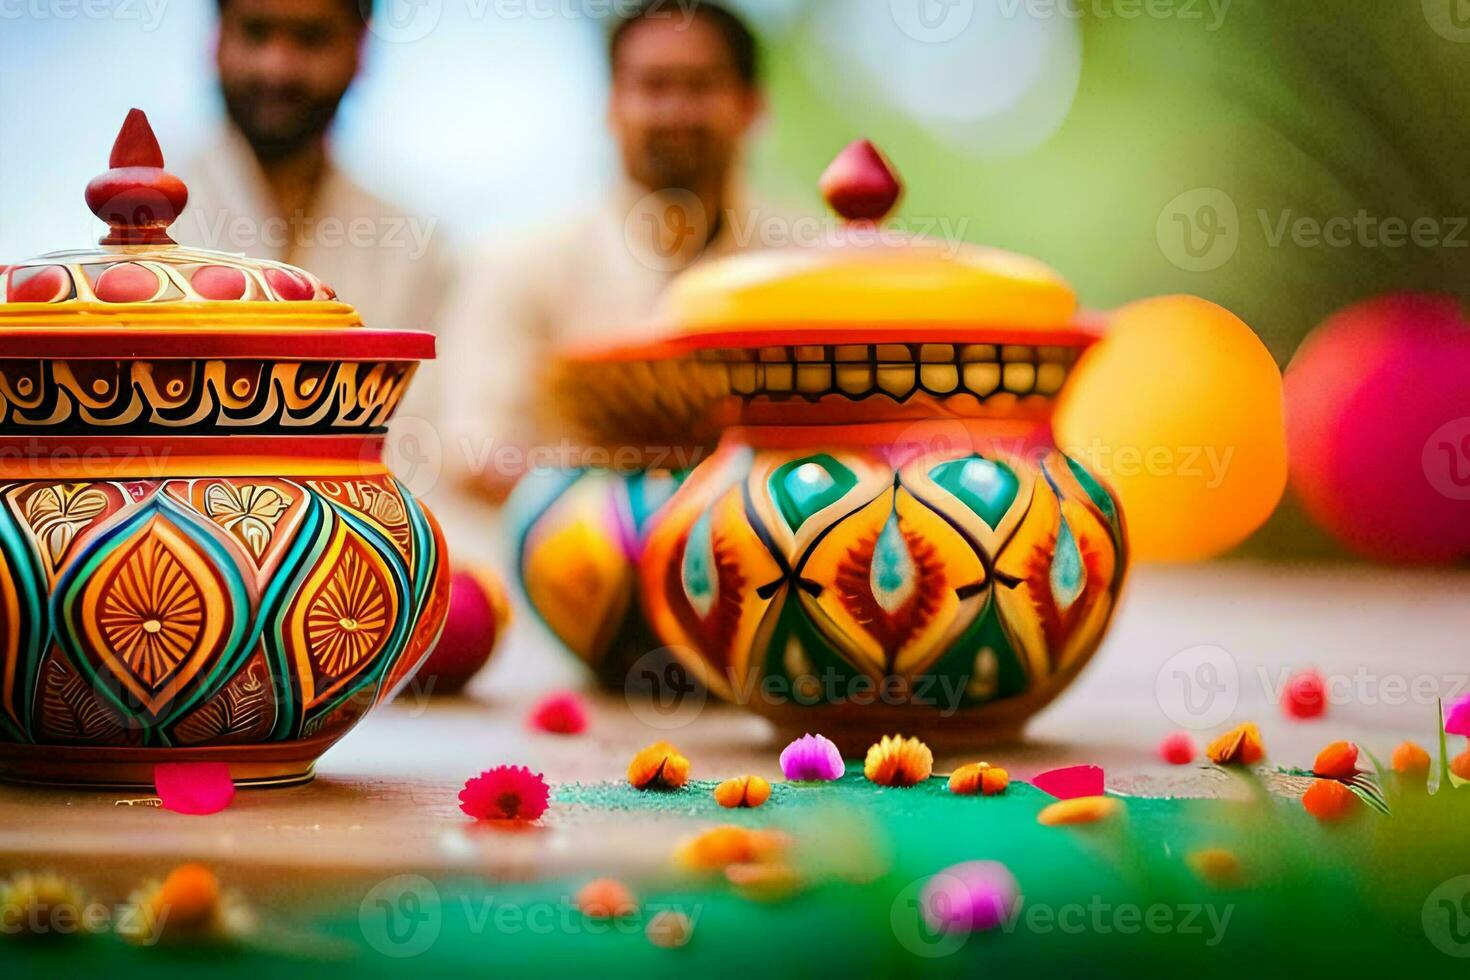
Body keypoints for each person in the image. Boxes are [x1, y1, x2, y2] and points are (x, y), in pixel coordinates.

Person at [439, 1, 782, 502]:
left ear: (750, 106)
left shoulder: (800, 265)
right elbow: (474, 452)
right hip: (565, 569)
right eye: (654, 86)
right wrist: (630, 507)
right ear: (612, 105)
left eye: (701, 85)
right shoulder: (519, 265)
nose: (675, 111)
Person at [178, 0, 450, 334]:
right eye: (255, 31)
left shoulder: (412, 249)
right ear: (217, 38)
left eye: (311, 37)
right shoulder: (141, 229)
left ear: (360, 48)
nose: (277, 68)